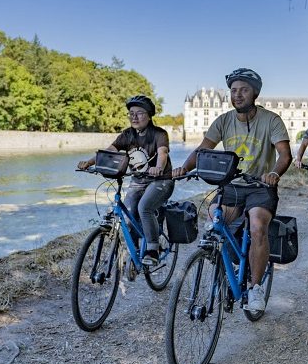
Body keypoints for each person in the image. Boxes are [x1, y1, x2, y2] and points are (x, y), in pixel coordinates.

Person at [172, 68, 292, 312]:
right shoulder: (224, 121)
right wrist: (184, 168)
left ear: (255, 93)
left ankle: (256, 288)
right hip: (232, 185)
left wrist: (274, 174)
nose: (237, 95)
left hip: (260, 186)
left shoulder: (271, 120)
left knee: (258, 226)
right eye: (233, 91)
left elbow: (284, 154)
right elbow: (203, 149)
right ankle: (229, 263)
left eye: (243, 90)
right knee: (215, 218)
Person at [78, 95, 173, 267]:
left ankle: (153, 248)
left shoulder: (159, 133)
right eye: (131, 113)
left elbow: (162, 153)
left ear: (149, 115)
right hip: (138, 180)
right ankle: (135, 251)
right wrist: (90, 163)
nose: (134, 117)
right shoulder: (127, 135)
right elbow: (109, 152)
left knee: (144, 207)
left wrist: (158, 167)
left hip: (161, 181)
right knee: (129, 213)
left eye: (139, 113)